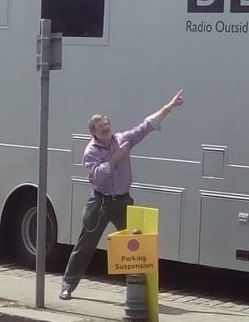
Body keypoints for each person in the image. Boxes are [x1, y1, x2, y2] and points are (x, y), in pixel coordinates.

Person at [59, 90, 184, 300]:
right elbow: (97, 178)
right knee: (85, 245)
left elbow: (146, 126)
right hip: (100, 203)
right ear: (94, 132)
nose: (107, 128)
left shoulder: (123, 139)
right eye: (101, 127)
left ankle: (142, 292)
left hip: (123, 201)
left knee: (136, 245)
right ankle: (68, 286)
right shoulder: (90, 151)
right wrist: (114, 160)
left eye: (108, 124)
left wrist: (168, 107)